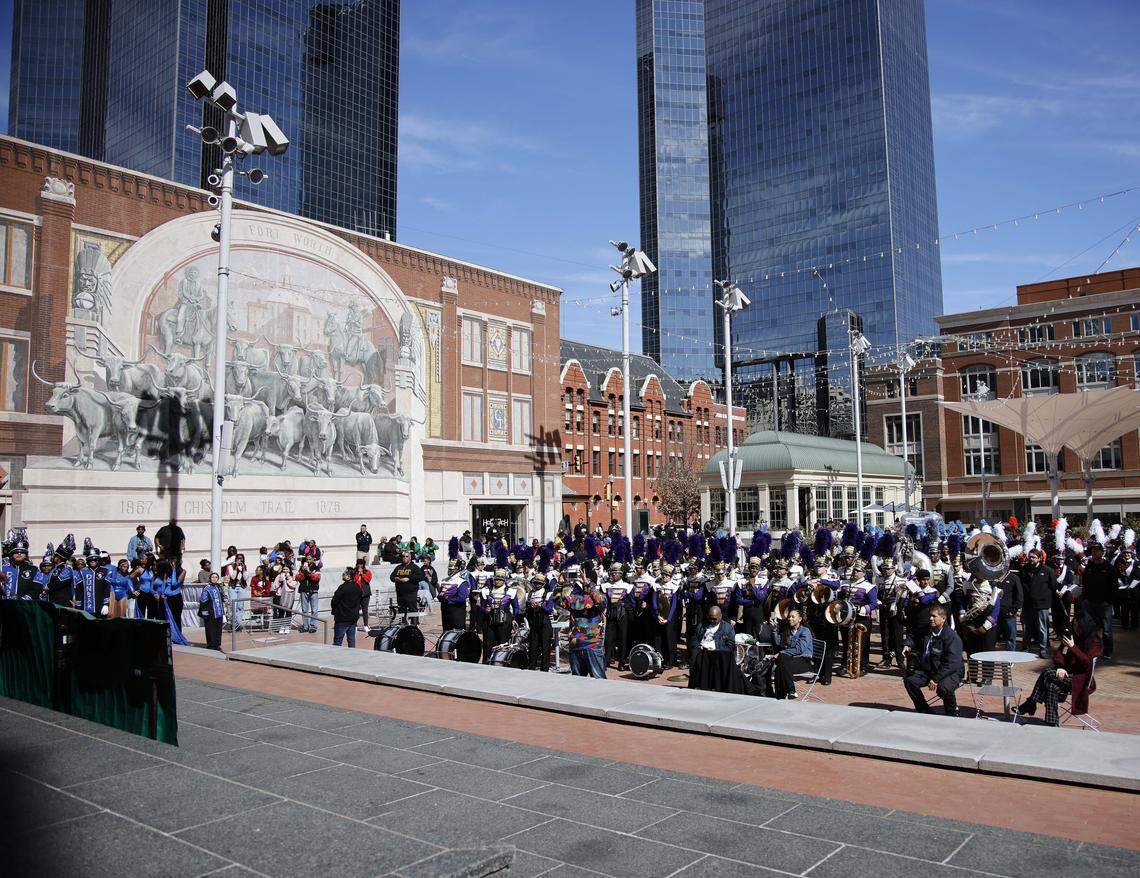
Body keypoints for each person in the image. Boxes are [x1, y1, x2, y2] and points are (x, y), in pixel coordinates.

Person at [1014, 613, 1102, 726]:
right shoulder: (1072, 636)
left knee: (1046, 673)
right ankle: (1052, 722)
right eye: (1073, 624)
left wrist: (1073, 647)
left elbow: (1087, 662)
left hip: (1080, 679)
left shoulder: (1094, 642)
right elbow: (1059, 654)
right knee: (1051, 686)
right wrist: (1061, 667)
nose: (1075, 628)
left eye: (1078, 625)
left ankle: (1031, 702)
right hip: (1067, 674)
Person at [903, 605, 963, 717]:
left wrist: (936, 679)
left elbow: (952, 663)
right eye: (930, 616)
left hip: (950, 672)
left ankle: (952, 711)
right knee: (910, 681)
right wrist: (907, 644)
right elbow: (913, 635)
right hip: (929, 669)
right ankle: (924, 710)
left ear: (943, 618)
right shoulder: (926, 630)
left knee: (943, 688)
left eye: (934, 616)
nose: (930, 619)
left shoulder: (951, 637)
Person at [559, 567, 607, 678]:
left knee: (599, 679)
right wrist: (562, 583)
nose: (583, 581)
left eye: (586, 580)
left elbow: (601, 602)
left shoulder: (598, 597)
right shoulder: (575, 598)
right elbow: (559, 602)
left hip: (592, 644)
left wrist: (588, 584)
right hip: (576, 644)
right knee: (577, 681)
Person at [687, 605, 741, 693]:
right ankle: (698, 684)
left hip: (718, 654)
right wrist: (698, 646)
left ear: (720, 616)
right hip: (703, 652)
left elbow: (730, 646)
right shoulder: (702, 625)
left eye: (715, 619)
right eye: (710, 618)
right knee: (695, 655)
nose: (712, 621)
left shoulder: (728, 628)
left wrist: (717, 649)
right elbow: (694, 639)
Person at [1080, 542, 1117, 659]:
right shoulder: (1089, 567)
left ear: (1102, 552)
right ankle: (1091, 649)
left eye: (1097, 551)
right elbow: (1084, 583)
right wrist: (1085, 599)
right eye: (1092, 551)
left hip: (1104, 604)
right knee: (1089, 628)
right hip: (1089, 603)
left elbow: (1113, 586)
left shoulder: (1109, 568)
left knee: (1106, 629)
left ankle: (1107, 651)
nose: (1094, 553)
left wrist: (1109, 601)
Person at [770, 608, 814, 700]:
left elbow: (800, 649)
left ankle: (781, 695)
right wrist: (774, 630)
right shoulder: (788, 631)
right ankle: (789, 692)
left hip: (804, 661)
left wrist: (781, 653)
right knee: (781, 663)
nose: (790, 619)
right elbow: (779, 643)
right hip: (790, 660)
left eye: (793, 617)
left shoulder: (805, 631)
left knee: (781, 662)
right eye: (789, 617)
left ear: (800, 619)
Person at [1019, 549, 1055, 658]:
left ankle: (1043, 649)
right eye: (1030, 557)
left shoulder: (1047, 570)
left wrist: (1048, 600)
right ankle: (1025, 648)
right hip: (1027, 605)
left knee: (1042, 628)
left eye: (1033, 557)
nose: (1031, 559)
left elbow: (1053, 586)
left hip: (1042, 605)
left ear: (1039, 558)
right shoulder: (1024, 570)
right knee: (1027, 628)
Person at [331, 568, 362, 647]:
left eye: (344, 574)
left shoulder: (343, 587)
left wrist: (334, 610)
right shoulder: (357, 586)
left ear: (348, 576)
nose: (342, 575)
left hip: (342, 617)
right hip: (353, 617)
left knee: (338, 641)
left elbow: (335, 600)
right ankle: (352, 655)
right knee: (351, 639)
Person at [390, 552, 423, 616]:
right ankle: (403, 624)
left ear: (410, 558)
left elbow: (420, 577)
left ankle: (415, 624)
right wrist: (395, 578)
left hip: (411, 593)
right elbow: (391, 577)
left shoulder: (415, 567)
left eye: (406, 556)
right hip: (400, 593)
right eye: (403, 556)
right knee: (401, 610)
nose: (405, 558)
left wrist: (409, 578)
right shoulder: (398, 567)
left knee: (412, 609)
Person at [198, 572, 225, 650]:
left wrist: (224, 598)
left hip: (219, 612)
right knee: (210, 629)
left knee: (218, 629)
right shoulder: (207, 588)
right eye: (212, 577)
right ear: (210, 578)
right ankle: (211, 645)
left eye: (216, 577)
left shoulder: (219, 587)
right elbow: (203, 601)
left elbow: (222, 597)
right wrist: (205, 613)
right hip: (210, 612)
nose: (214, 579)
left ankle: (217, 644)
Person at [296, 557, 321, 633]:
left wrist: (309, 572)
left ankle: (313, 626)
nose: (308, 561)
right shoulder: (302, 568)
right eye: (307, 559)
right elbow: (298, 578)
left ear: (313, 559)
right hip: (304, 590)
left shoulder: (316, 568)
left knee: (314, 610)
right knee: (304, 610)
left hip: (313, 590)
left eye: (310, 559)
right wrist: (303, 571)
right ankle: (305, 626)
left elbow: (316, 579)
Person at [354, 561, 374, 630]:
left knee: (365, 610)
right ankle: (355, 626)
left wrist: (362, 574)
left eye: (361, 565)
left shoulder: (367, 572)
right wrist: (358, 574)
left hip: (365, 593)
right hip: (356, 594)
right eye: (358, 564)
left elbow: (368, 580)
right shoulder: (354, 572)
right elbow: (354, 581)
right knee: (355, 610)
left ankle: (365, 625)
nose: (359, 566)